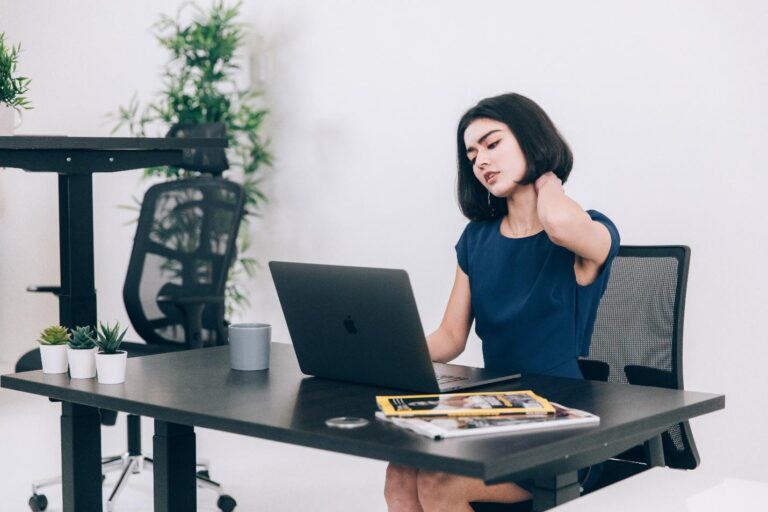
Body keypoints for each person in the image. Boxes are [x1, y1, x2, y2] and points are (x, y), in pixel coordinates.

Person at [383, 93, 620, 511]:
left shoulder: (589, 231)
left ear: (531, 139)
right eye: (472, 154)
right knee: (402, 470)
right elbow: (451, 336)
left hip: (562, 420)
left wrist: (547, 177)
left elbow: (559, 223)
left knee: (440, 483)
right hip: (497, 408)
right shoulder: (477, 239)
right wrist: (383, 357)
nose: (481, 162)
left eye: (493, 144)